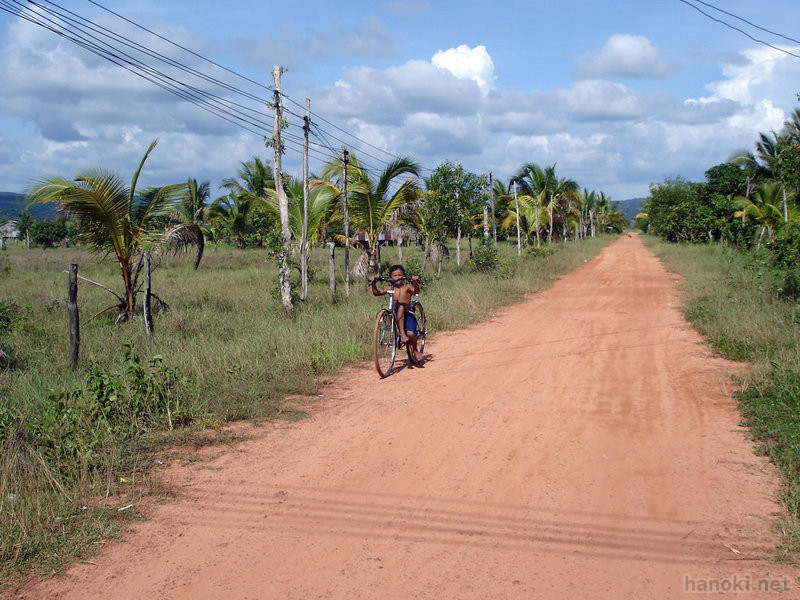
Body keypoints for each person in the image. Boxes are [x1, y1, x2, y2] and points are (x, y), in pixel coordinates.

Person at [370, 265, 422, 361]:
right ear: (390, 278)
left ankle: (414, 349)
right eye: (394, 275)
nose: (397, 277)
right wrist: (373, 283)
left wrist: (415, 282)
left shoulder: (407, 287)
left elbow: (416, 291)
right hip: (395, 314)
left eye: (399, 275)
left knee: (410, 334)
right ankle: (396, 335)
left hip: (407, 313)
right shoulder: (389, 288)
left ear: (404, 276)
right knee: (393, 310)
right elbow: (377, 293)